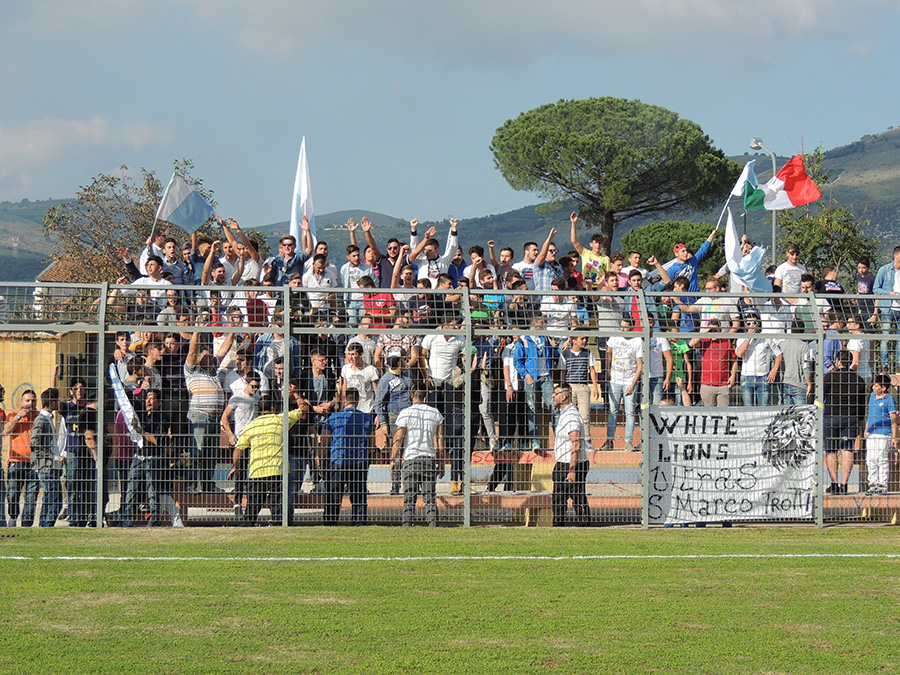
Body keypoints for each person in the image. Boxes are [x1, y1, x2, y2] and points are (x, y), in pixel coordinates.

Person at [232, 396, 308, 526]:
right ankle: (278, 527)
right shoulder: (280, 419)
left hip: (257, 471)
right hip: (277, 470)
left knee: (252, 508)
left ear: (258, 410)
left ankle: (246, 526)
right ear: (273, 408)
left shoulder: (251, 425)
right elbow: (304, 408)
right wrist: (296, 395)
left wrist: (235, 467)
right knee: (278, 506)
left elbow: (238, 450)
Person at [391, 386, 445, 527]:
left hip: (411, 459)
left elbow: (398, 438)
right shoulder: (435, 413)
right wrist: (442, 463)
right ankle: (433, 525)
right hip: (428, 458)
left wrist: (392, 460)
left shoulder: (405, 413)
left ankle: (406, 525)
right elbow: (439, 440)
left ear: (412, 395)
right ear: (425, 396)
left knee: (409, 498)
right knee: (430, 498)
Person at [321, 389, 374, 525]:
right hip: (358, 461)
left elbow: (324, 443)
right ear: (358, 400)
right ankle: (358, 523)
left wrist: (322, 463)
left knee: (333, 494)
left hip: (337, 460)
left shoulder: (334, 418)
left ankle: (330, 523)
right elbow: (372, 444)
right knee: (358, 495)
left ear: (344, 399)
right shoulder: (366, 418)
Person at [823, 350, 868, 494]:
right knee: (847, 450)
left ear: (837, 361)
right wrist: (860, 422)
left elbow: (821, 396)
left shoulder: (829, 377)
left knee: (831, 451)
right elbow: (862, 404)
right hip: (851, 417)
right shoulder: (858, 380)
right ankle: (844, 484)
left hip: (831, 415)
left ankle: (834, 483)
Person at [551, 384, 589, 527]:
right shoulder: (565, 414)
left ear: (564, 396)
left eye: (556, 393)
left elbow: (576, 443)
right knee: (559, 498)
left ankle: (584, 526)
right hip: (565, 462)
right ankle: (559, 525)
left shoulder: (571, 416)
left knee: (577, 498)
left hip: (571, 463)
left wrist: (572, 470)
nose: (553, 396)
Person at [375, 356, 413, 495]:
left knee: (411, 451)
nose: (405, 362)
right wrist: (383, 423)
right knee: (396, 454)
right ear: (398, 363)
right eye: (402, 361)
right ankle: (395, 484)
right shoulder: (385, 380)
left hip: (410, 417)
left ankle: (412, 484)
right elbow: (378, 402)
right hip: (394, 420)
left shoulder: (409, 375)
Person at [604, 317, 642, 451]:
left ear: (631, 328)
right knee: (612, 410)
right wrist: (607, 370)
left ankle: (628, 442)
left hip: (629, 380)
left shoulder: (637, 340)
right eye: (621, 326)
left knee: (630, 412)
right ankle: (609, 440)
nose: (622, 329)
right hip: (615, 379)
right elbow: (608, 352)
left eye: (625, 327)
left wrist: (633, 384)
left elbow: (639, 365)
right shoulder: (615, 337)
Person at [5, 389, 39, 527]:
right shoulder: (13, 414)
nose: (30, 403)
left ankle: (26, 525)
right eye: (27, 400)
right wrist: (19, 416)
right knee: (13, 493)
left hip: (34, 462)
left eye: (33, 401)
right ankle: (13, 517)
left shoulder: (39, 416)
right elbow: (6, 430)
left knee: (31, 496)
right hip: (16, 461)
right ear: (21, 402)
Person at [30, 388, 62, 527]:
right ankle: (46, 526)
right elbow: (34, 443)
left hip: (51, 466)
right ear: (53, 403)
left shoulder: (48, 418)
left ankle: (44, 526)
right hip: (45, 467)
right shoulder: (41, 420)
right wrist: (53, 458)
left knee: (51, 499)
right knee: (54, 500)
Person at [689, 319, 737, 408]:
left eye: (715, 330)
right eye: (712, 330)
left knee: (723, 414)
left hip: (723, 384)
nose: (713, 332)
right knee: (709, 414)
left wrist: (733, 375)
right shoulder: (704, 341)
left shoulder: (727, 343)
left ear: (720, 330)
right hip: (707, 384)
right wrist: (705, 331)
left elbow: (734, 360)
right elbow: (691, 344)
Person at [863, 374, 898, 495]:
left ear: (883, 388)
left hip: (884, 433)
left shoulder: (889, 399)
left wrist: (894, 436)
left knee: (881, 458)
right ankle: (872, 483)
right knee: (870, 459)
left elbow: (894, 419)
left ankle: (882, 484)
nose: (873, 387)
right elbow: (870, 413)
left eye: (876, 385)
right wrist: (866, 428)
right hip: (871, 433)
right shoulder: (872, 396)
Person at [872, 245, 900, 371]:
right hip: (888, 308)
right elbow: (876, 288)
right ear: (895, 255)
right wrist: (889, 294)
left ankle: (899, 366)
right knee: (885, 338)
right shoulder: (884, 270)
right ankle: (885, 366)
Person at [569, 211, 608, 290]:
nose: (598, 245)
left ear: (602, 245)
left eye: (600, 243)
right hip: (586, 287)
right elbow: (574, 241)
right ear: (591, 244)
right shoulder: (585, 253)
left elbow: (608, 276)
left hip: (599, 289)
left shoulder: (606, 259)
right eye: (596, 243)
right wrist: (573, 223)